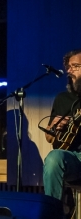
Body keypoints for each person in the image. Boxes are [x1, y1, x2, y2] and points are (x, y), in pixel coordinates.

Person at [43, 49, 81, 204]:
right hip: (74, 159)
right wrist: (54, 127)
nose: (69, 70)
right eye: (69, 67)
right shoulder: (62, 98)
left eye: (76, 66)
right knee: (53, 158)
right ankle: (52, 217)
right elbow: (50, 138)